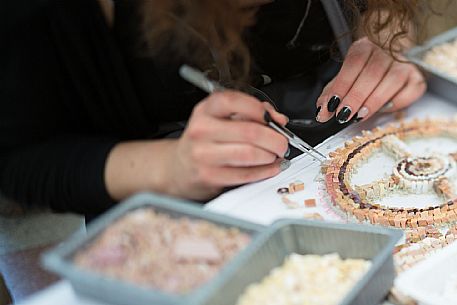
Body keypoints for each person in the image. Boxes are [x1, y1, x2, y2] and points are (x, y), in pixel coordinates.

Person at [0, 0, 426, 215]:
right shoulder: (41, 15)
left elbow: (385, 8)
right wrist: (174, 166)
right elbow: (21, 161)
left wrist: (387, 40)